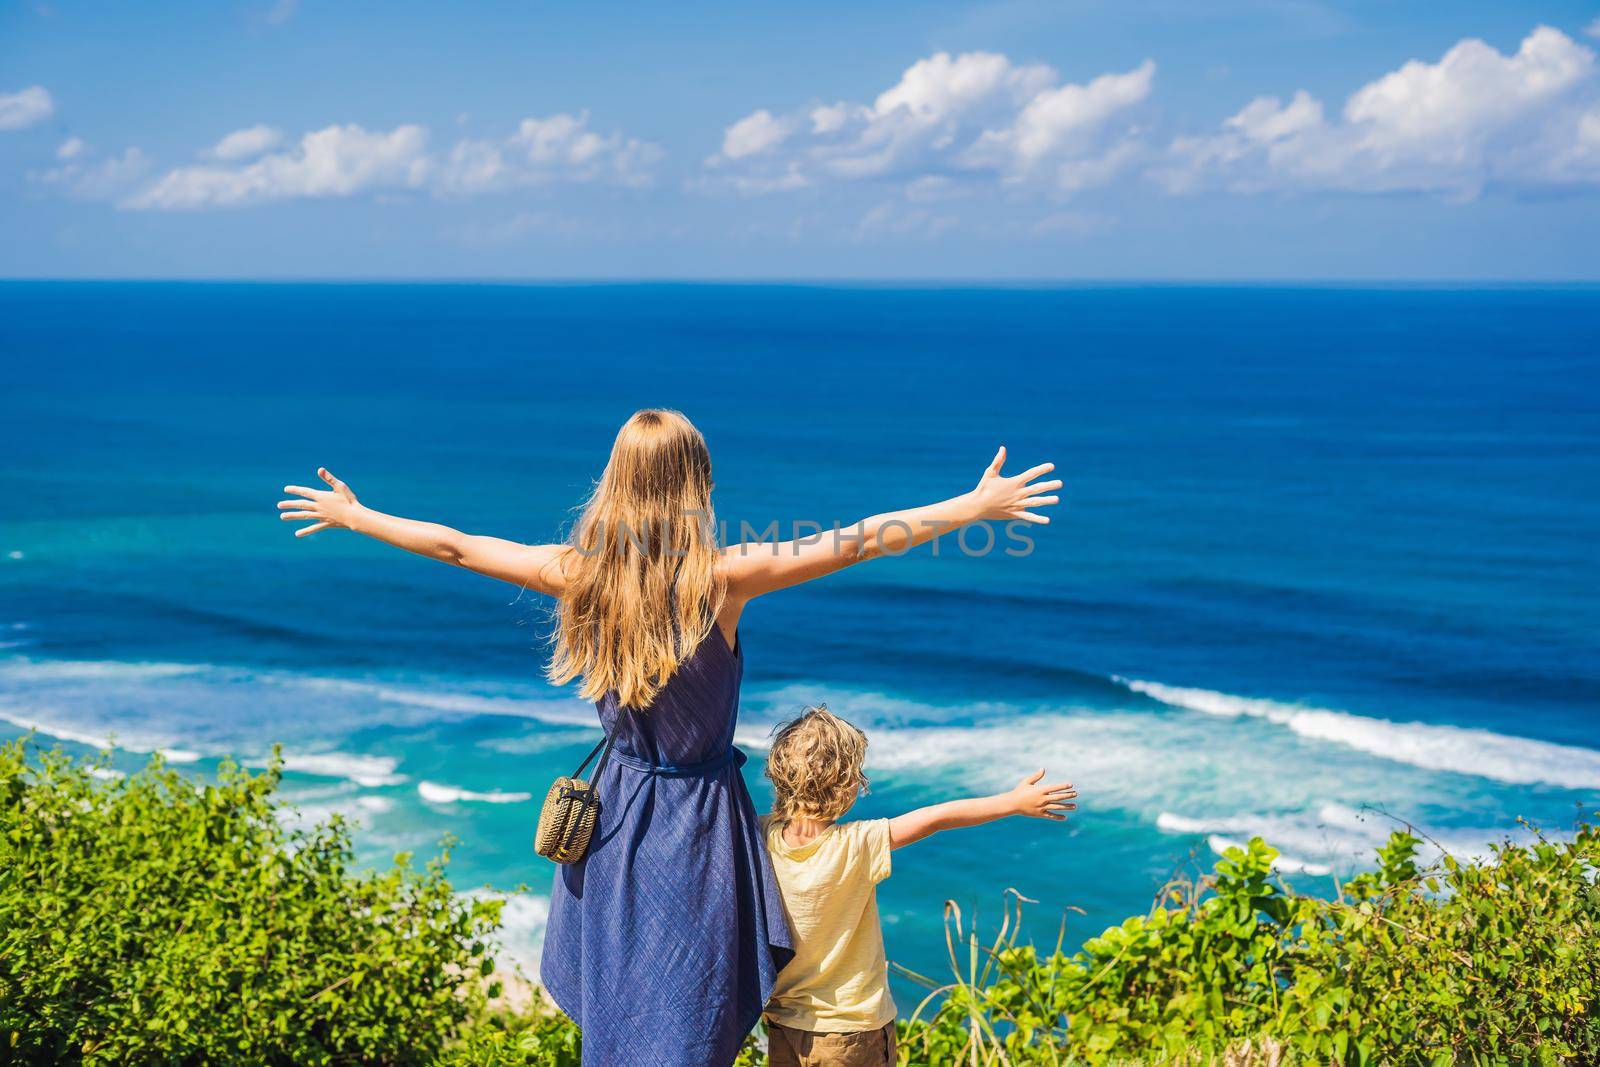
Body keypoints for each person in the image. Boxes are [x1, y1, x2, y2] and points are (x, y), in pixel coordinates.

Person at [277, 408, 1061, 1065]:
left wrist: (355, 515)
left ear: (616, 483)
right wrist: (972, 507)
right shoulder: (723, 579)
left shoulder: (578, 573)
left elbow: (455, 546)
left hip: (615, 824)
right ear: (699, 486)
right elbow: (855, 540)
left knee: (624, 1016)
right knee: (692, 1018)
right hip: (698, 829)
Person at [759, 705, 1077, 1067]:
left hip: (784, 1023)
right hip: (850, 1031)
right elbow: (935, 818)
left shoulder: (760, 835)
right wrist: (1011, 803)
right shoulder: (856, 844)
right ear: (846, 785)